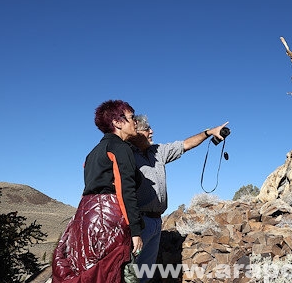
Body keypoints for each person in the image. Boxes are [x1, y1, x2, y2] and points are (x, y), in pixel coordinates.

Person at [52, 100, 145, 283]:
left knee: (89, 272)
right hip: (109, 220)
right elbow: (125, 190)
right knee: (115, 272)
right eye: (132, 118)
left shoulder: (92, 153)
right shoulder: (120, 148)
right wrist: (135, 230)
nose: (136, 122)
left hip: (85, 219)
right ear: (117, 123)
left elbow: (87, 189)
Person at [128, 114, 228, 280]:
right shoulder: (127, 155)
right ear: (136, 132)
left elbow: (185, 144)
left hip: (156, 221)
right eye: (147, 129)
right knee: (130, 270)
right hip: (139, 222)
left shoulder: (158, 151)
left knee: (145, 272)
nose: (152, 131)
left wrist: (209, 132)